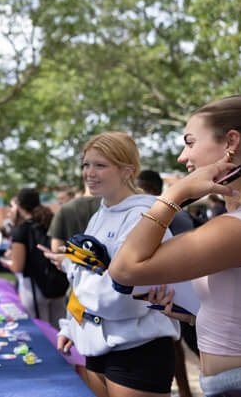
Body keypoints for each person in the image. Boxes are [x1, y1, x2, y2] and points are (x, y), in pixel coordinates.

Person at [109, 95, 241, 396]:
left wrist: (175, 193)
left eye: (190, 142)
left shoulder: (235, 228)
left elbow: (124, 269)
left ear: (231, 142)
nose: (183, 157)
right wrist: (197, 315)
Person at [43, 132, 180, 397]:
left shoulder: (147, 218)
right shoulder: (99, 215)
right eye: (86, 164)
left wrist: (70, 265)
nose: (89, 173)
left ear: (127, 170)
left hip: (138, 349)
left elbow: (117, 299)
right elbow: (87, 282)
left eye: (100, 165)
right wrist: (71, 326)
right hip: (96, 349)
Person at [136, 169, 197, 397]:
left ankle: (185, 390)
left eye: (140, 188)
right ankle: (184, 389)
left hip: (179, 293)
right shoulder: (150, 215)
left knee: (184, 344)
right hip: (162, 293)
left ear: (153, 190)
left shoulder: (175, 217)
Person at [3, 189, 67, 328]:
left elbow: (17, 266)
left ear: (19, 206)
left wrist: (7, 263)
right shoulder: (50, 221)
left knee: (43, 334)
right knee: (60, 333)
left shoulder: (21, 229)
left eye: (12, 206)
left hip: (35, 287)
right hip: (59, 283)